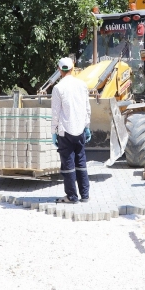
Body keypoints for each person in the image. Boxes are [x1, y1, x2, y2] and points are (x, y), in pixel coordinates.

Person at [51, 57, 91, 203]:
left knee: (68, 164)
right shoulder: (82, 85)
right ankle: (85, 195)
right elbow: (87, 107)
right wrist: (87, 127)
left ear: (59, 69)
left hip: (65, 131)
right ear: (73, 68)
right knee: (81, 162)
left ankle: (72, 196)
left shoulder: (58, 88)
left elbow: (55, 113)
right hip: (80, 130)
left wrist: (53, 132)